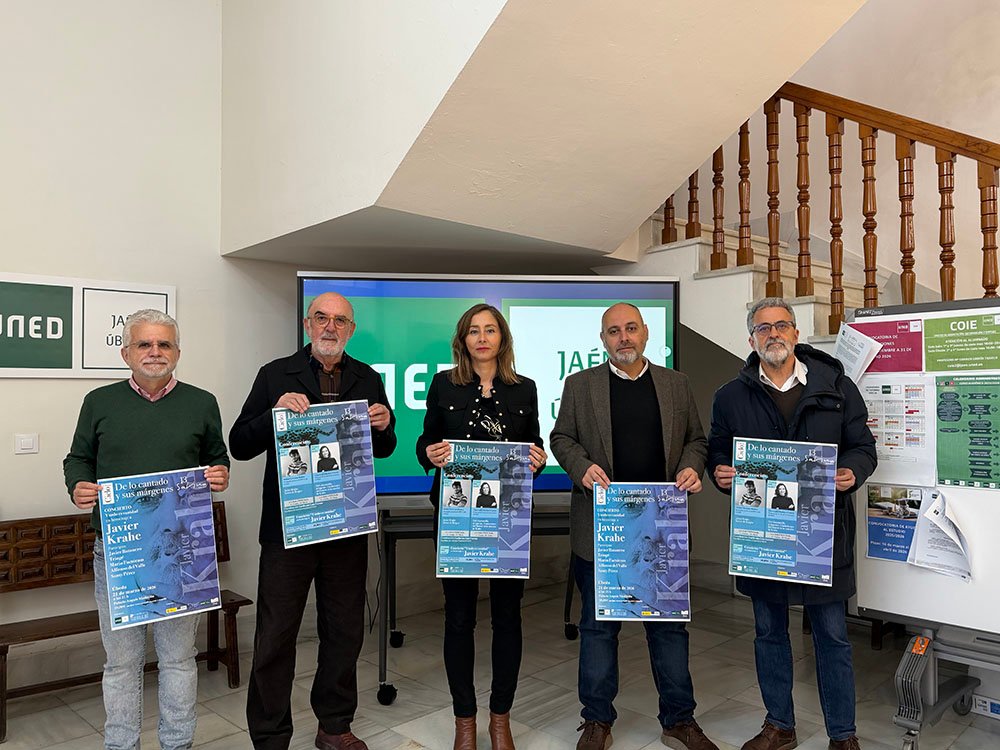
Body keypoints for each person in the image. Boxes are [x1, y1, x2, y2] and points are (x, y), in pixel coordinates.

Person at [708, 297, 876, 750]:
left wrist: (853, 472)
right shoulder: (729, 396)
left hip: (823, 538)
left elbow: (864, 448)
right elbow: (718, 452)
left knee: (832, 638)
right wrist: (722, 472)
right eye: (763, 328)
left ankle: (843, 735)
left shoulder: (836, 386)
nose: (773, 334)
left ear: (797, 334)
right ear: (751, 340)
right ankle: (779, 725)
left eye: (782, 326)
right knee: (768, 634)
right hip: (763, 538)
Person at [230, 292, 396, 750]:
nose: (330, 327)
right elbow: (240, 443)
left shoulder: (368, 378)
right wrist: (273, 415)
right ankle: (269, 736)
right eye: (321, 317)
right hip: (289, 529)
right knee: (275, 635)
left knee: (343, 632)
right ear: (307, 324)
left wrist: (385, 423)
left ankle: (335, 727)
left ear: (351, 329)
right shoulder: (274, 374)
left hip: (346, 526)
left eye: (340, 320)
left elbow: (384, 449)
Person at [550, 302, 719, 750]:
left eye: (630, 329)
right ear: (602, 340)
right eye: (613, 332)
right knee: (598, 628)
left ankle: (679, 719)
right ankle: (597, 722)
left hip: (661, 527)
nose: (622, 337)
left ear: (645, 333)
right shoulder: (580, 386)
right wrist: (581, 467)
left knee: (667, 629)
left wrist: (690, 468)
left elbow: (695, 441)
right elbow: (561, 438)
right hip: (600, 528)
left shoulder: (675, 385)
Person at [63, 309, 230, 750]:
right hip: (119, 553)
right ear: (126, 352)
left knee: (178, 659)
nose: (155, 352)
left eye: (164, 345)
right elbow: (77, 459)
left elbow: (218, 456)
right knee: (121, 663)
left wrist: (220, 474)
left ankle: (177, 743)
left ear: (177, 352)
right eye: (144, 344)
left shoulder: (202, 402)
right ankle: (122, 746)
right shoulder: (99, 402)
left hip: (180, 553)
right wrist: (77, 485)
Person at [416, 303, 547, 750]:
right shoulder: (442, 384)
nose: (482, 337)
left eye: (490, 330)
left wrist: (537, 460)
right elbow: (426, 440)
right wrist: (430, 453)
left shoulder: (524, 389)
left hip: (508, 519)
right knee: (459, 619)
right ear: (463, 340)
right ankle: (465, 722)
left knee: (508, 618)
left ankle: (500, 720)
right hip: (456, 517)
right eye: (474, 331)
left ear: (502, 338)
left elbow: (534, 447)